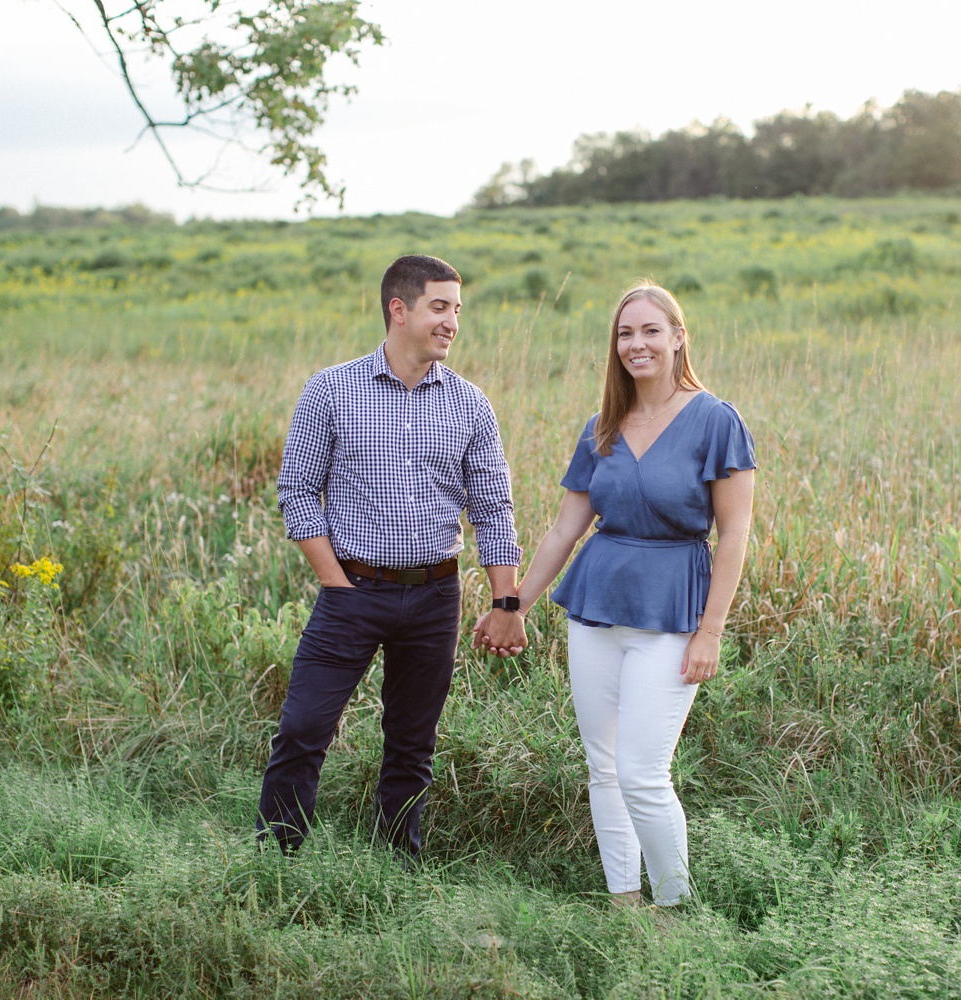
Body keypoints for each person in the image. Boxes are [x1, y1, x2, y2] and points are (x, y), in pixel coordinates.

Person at [475, 281, 755, 907]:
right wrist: (511, 603)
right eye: (625, 333)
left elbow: (735, 534)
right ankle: (623, 904)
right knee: (604, 768)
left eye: (651, 331)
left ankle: (675, 909)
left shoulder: (716, 420)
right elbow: (564, 529)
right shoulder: (601, 426)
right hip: (596, 607)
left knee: (643, 774)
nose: (637, 344)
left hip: (672, 611)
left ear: (679, 337)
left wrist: (711, 631)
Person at [259, 254, 527, 860]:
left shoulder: (470, 404)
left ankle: (397, 866)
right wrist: (335, 583)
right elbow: (297, 490)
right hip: (352, 590)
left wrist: (506, 601)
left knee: (412, 743)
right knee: (304, 729)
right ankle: (277, 859)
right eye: (440, 307)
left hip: (435, 597)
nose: (452, 322)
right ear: (398, 309)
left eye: (457, 310)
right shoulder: (332, 390)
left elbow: (493, 509)